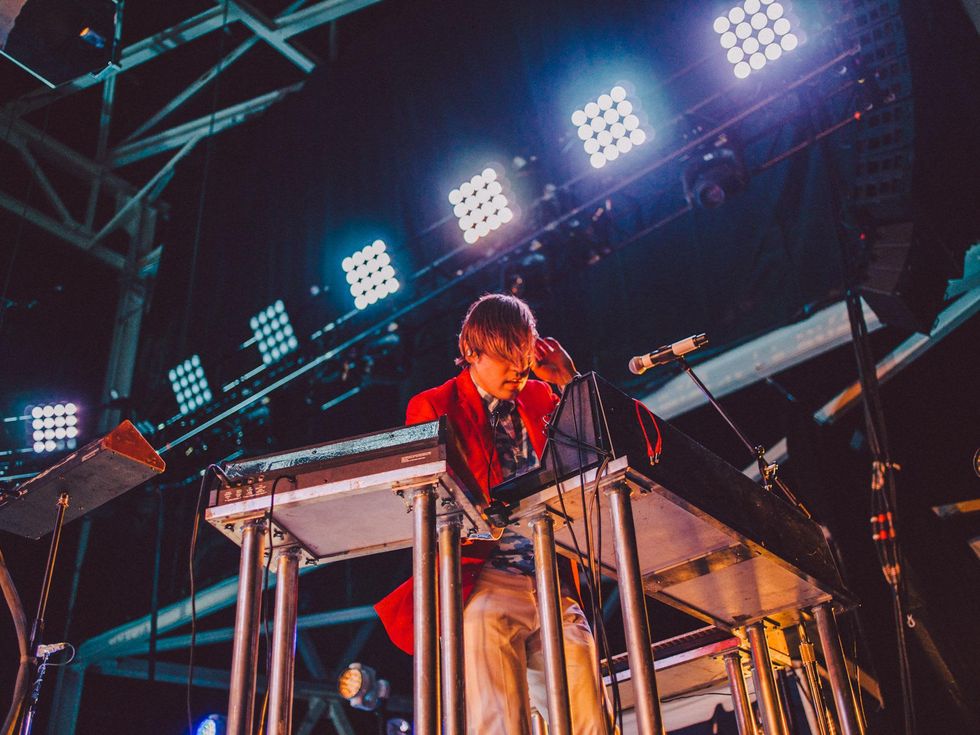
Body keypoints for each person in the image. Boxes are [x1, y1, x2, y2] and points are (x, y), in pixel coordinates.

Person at [375, 293, 608, 734]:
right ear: (471, 352)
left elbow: (604, 447)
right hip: (483, 575)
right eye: (506, 360)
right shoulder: (434, 405)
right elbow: (428, 503)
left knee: (588, 710)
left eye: (524, 358)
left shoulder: (543, 395)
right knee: (499, 719)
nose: (519, 371)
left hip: (550, 575)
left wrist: (569, 381)